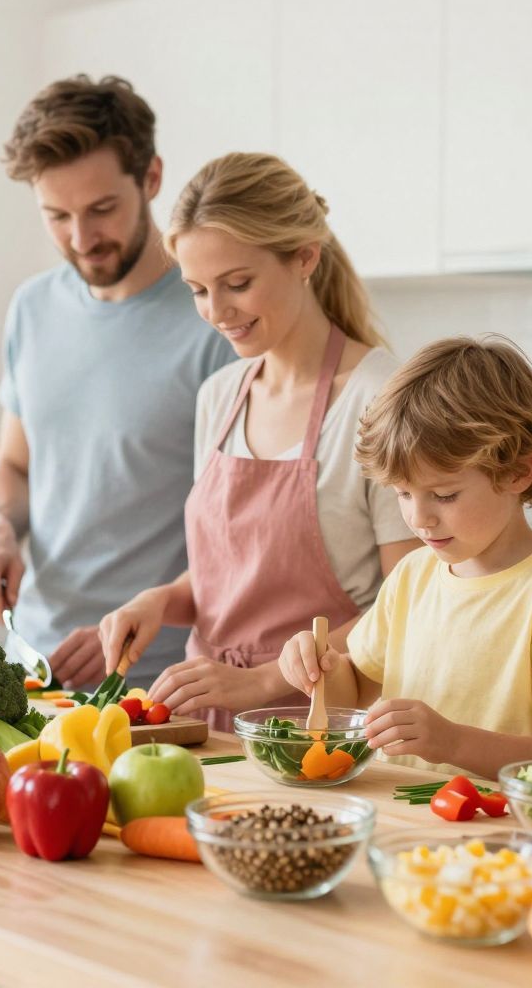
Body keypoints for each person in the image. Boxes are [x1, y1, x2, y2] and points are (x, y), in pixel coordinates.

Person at [98, 153, 419, 730]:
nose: (216, 312)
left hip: (320, 734)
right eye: (197, 289)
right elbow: (232, 574)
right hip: (206, 729)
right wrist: (161, 602)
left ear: (304, 257)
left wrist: (264, 680)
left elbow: (413, 604)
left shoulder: (381, 397)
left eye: (237, 284)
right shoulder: (220, 396)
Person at [0, 75, 234, 688]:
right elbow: (15, 465)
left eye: (102, 209)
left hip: (157, 680)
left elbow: (243, 534)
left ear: (152, 178)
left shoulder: (218, 320)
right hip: (31, 664)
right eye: (57, 215)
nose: (82, 239)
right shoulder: (31, 308)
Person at [279, 337, 532, 777]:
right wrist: (317, 669)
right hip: (408, 822)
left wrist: (452, 742)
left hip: (498, 835)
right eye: (402, 493)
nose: (419, 519)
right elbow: (355, 690)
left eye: (444, 494)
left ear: (518, 472)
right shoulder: (413, 576)